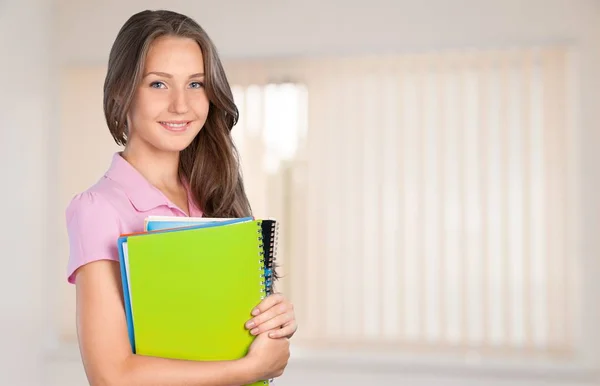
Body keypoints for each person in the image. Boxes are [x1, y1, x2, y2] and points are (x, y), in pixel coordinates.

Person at [65, 9, 296, 385]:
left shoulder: (214, 194)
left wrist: (272, 322)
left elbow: (218, 331)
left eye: (195, 84)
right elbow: (111, 377)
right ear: (123, 91)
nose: (181, 105)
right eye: (158, 84)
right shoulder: (98, 210)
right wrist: (249, 369)